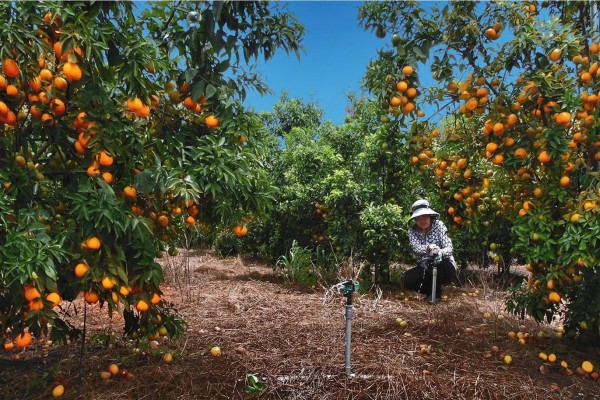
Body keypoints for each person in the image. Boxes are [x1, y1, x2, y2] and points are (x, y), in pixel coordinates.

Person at [403, 199, 456, 302]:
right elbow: (416, 248)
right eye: (419, 218)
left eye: (425, 216)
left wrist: (438, 252)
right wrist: (428, 248)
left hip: (444, 265)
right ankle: (431, 289)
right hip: (424, 266)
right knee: (407, 279)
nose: (422, 220)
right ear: (415, 219)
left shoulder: (439, 225)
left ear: (430, 216)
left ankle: (435, 295)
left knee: (434, 260)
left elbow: (449, 248)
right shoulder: (412, 231)